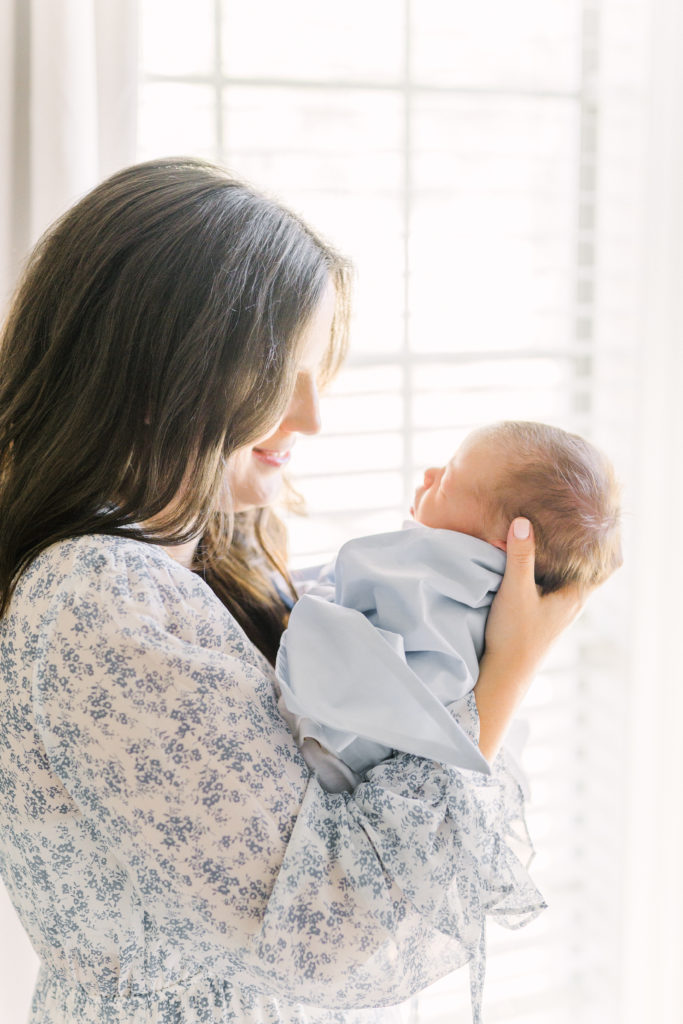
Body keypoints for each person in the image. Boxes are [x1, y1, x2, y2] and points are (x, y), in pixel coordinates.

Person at [0, 157, 584, 1024]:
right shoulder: (101, 596)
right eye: (283, 374)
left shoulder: (194, 557)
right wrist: (506, 672)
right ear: (169, 368)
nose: (311, 417)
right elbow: (333, 937)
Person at [276, 421, 622, 793]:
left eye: (444, 481)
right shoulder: (505, 610)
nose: (429, 475)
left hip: (340, 744)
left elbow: (345, 589)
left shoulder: (434, 569)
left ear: (503, 545)